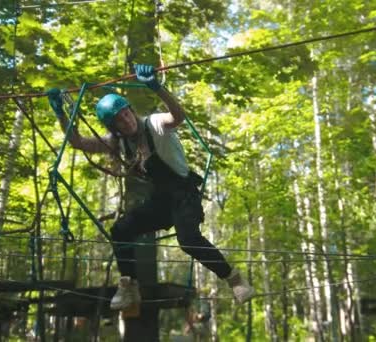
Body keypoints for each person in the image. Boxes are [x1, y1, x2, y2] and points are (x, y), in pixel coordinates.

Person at [46, 64, 255, 312]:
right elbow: (77, 142)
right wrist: (61, 113)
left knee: (188, 240)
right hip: (161, 200)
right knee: (122, 229)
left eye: (125, 114)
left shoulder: (154, 124)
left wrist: (157, 87)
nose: (125, 121)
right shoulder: (118, 142)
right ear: (113, 127)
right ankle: (129, 287)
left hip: (184, 194)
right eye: (118, 121)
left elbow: (177, 116)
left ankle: (234, 279)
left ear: (131, 111)